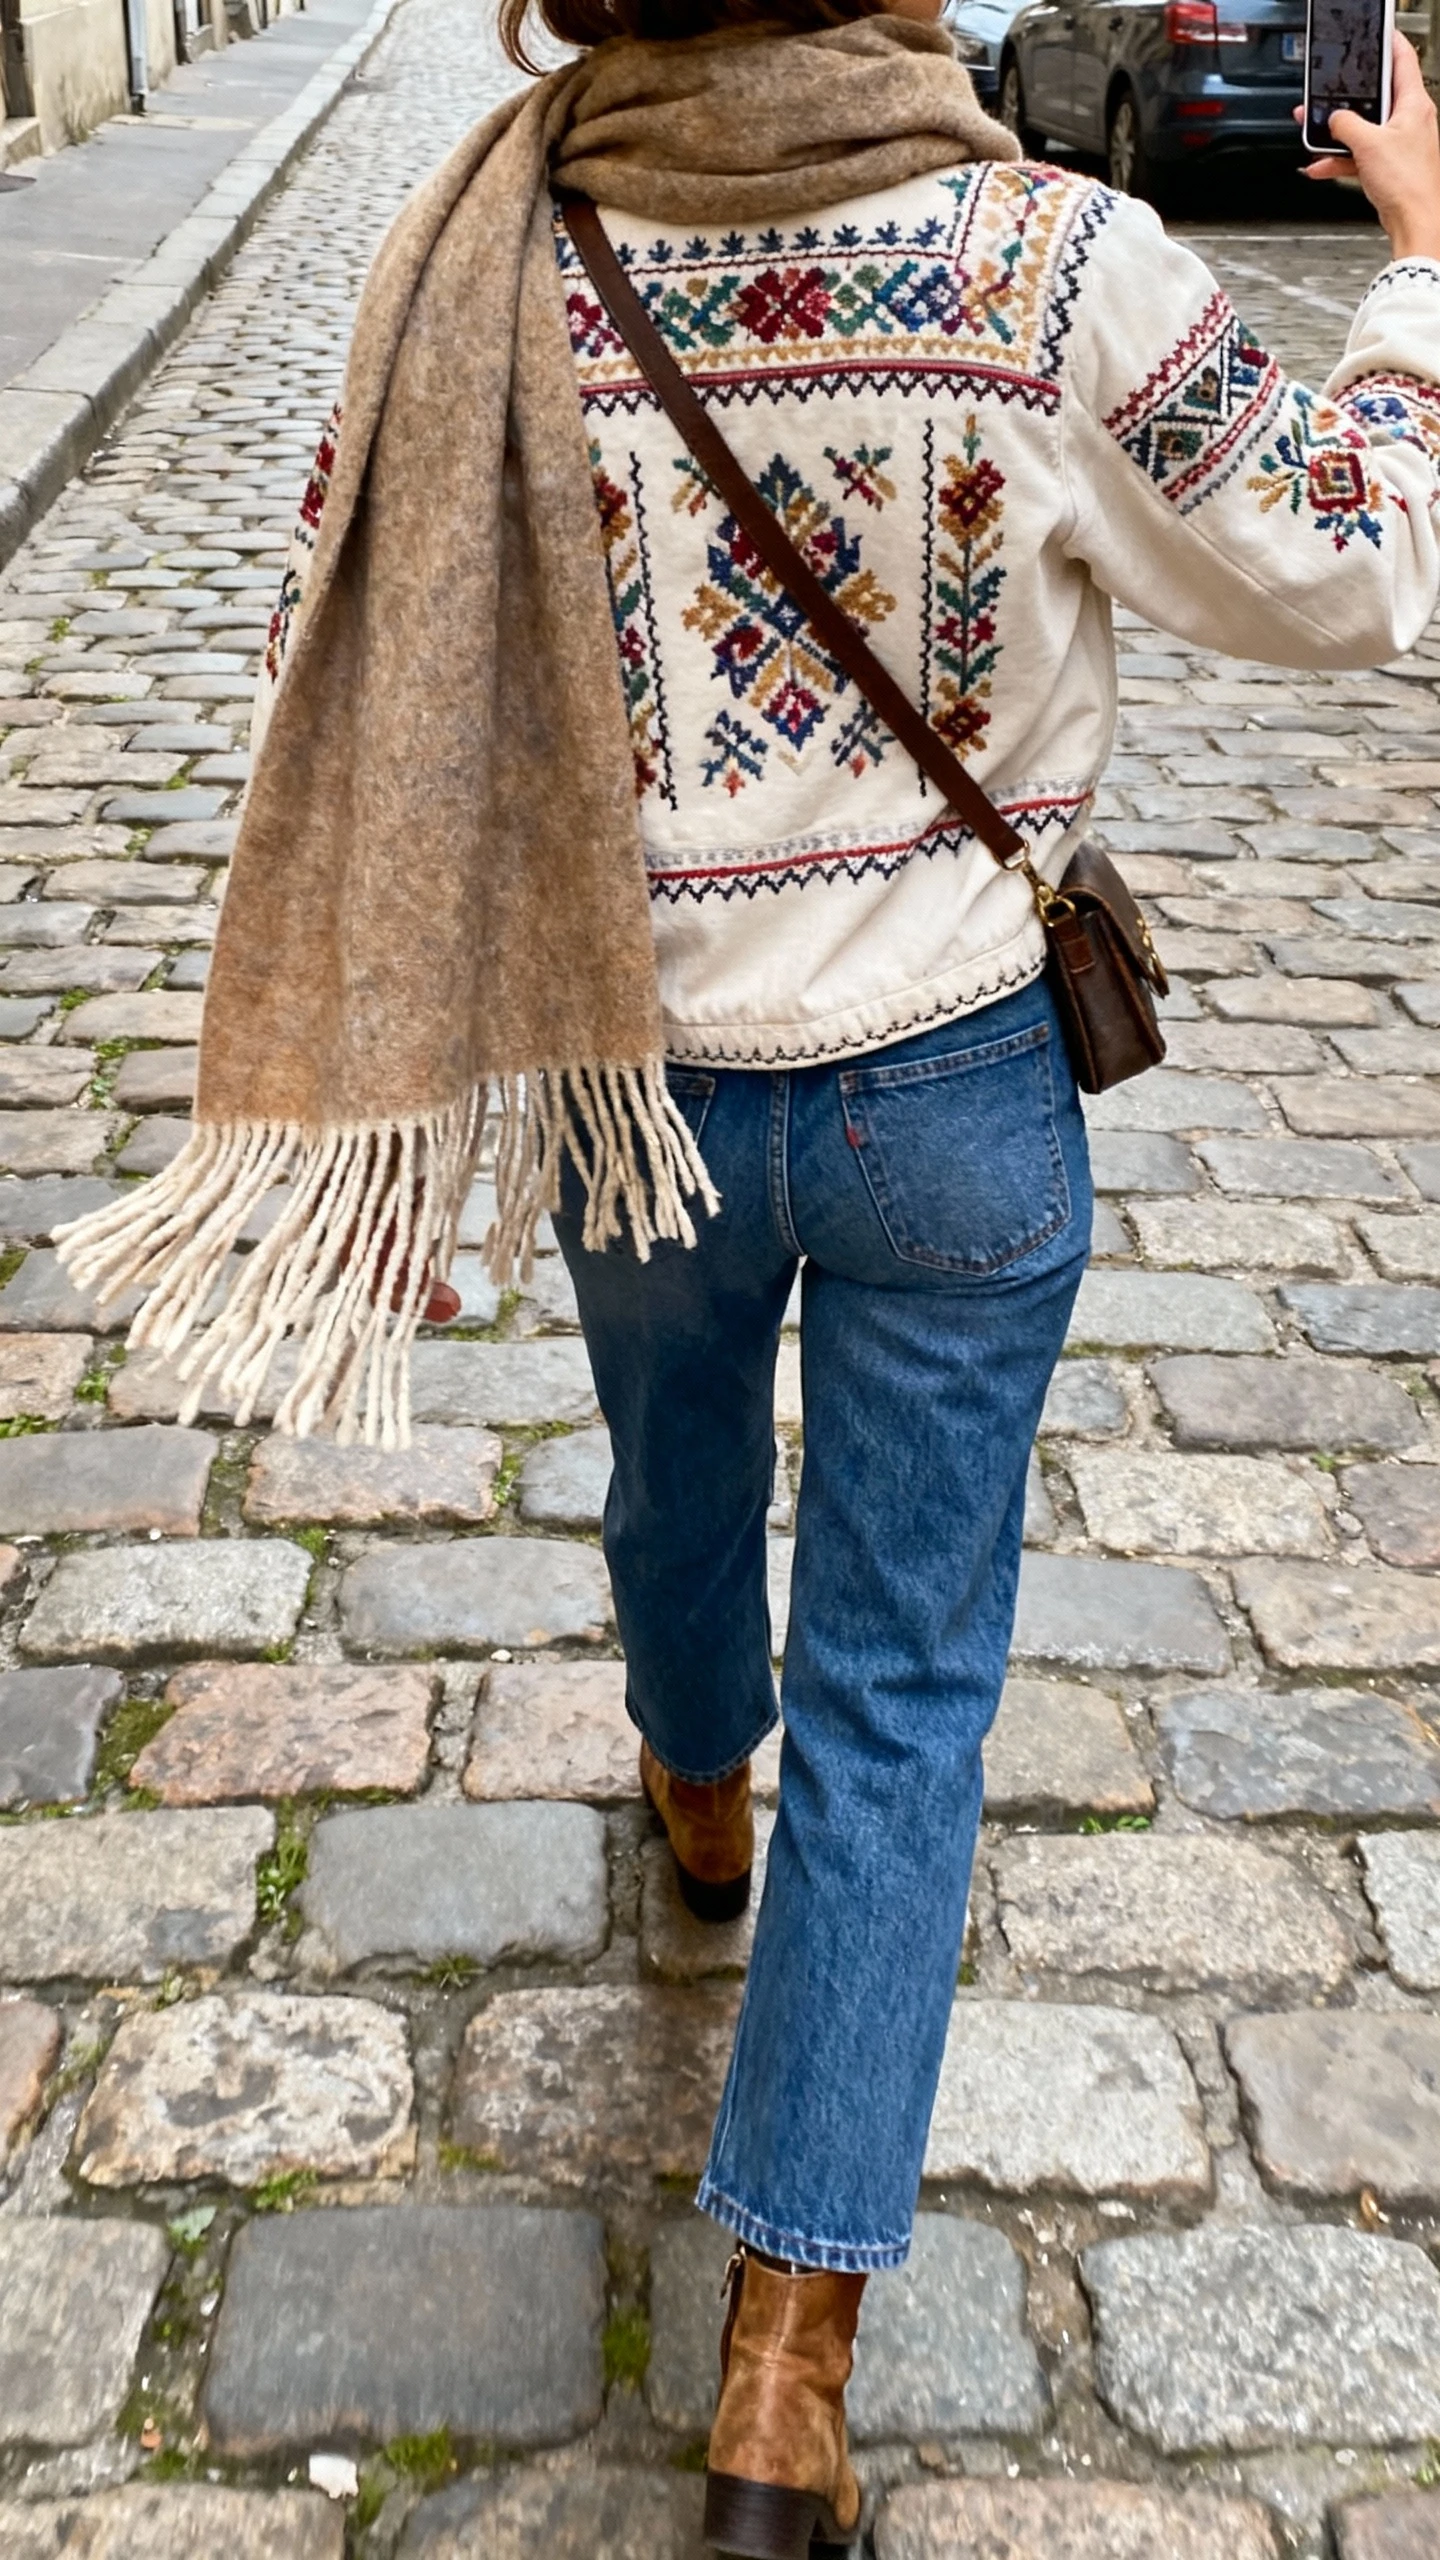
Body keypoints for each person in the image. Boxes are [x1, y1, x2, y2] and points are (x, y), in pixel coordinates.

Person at [56, 2, 1440, 2551]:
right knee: (904, 1690)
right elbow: (1350, 575)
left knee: (675, 1477)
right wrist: (1424, 277)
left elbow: (338, 606)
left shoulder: (509, 247)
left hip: (642, 1085)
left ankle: (699, 1795)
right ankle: (785, 2369)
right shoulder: (1053, 256)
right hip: (955, 1089)